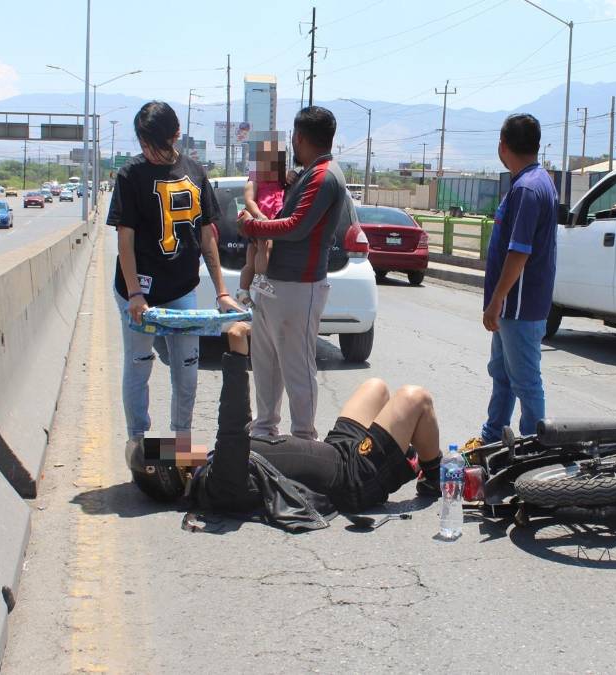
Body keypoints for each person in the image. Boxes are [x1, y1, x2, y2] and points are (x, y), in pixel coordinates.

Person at [138, 323, 443, 527]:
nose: (180, 444)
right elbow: (233, 426)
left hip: (337, 450)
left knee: (375, 387)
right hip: (353, 478)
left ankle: (401, 446)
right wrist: (236, 354)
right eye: (171, 448)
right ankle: (434, 478)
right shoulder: (220, 484)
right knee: (416, 398)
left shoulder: (209, 468)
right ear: (173, 471)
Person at [107, 101, 243, 472]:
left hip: (181, 288)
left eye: (155, 143)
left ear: (175, 135)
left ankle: (181, 449)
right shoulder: (130, 174)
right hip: (138, 291)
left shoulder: (196, 173)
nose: (148, 150)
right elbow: (124, 240)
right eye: (143, 143)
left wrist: (222, 292)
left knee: (186, 368)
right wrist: (135, 293)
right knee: (139, 363)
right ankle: (139, 445)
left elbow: (207, 236)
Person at [238, 106, 356, 440]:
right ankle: (264, 431)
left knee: (296, 367)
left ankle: (304, 439)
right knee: (265, 362)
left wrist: (252, 225)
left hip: (298, 287)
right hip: (273, 284)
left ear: (299, 137)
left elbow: (295, 226)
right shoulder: (309, 173)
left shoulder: (323, 176)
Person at [462, 114, 558, 453]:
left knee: (526, 382)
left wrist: (496, 300)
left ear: (503, 146)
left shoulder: (528, 188)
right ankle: (492, 438)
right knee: (502, 375)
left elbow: (519, 253)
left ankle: (535, 449)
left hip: (518, 306)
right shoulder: (532, 182)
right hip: (513, 306)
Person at [238, 133, 291, 303]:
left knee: (251, 261)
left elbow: (291, 179)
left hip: (268, 222)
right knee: (265, 247)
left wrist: (291, 176)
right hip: (260, 222)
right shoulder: (254, 180)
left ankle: (243, 291)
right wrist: (259, 216)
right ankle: (260, 279)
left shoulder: (281, 181)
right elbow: (249, 201)